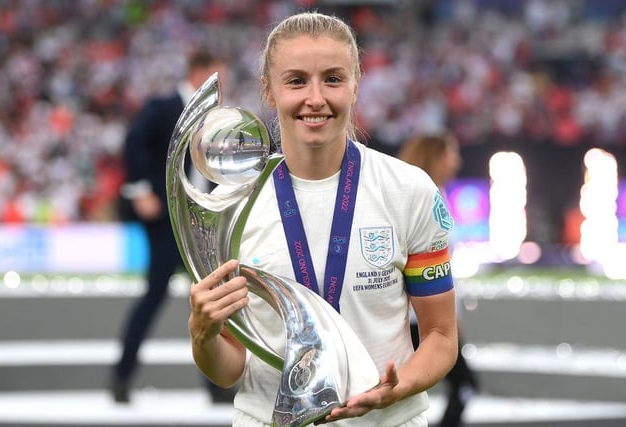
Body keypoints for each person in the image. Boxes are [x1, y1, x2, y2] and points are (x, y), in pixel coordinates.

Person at [187, 11, 458, 427]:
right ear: (269, 91)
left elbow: (441, 336)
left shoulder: (408, 189)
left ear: (355, 85)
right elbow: (229, 368)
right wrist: (202, 336)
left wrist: (396, 389)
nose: (316, 98)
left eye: (333, 79)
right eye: (296, 80)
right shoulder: (231, 206)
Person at [111, 51, 234, 404]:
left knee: (210, 299)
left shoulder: (216, 117)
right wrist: (140, 190)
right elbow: (134, 143)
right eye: (217, 77)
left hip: (202, 222)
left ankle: (216, 384)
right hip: (166, 220)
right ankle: (122, 375)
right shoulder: (165, 106)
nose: (220, 86)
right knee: (156, 295)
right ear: (199, 72)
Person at [397, 133, 479, 427]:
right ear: (436, 156)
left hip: (421, 316)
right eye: (451, 153)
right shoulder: (419, 199)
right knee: (463, 384)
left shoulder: (431, 195)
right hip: (418, 319)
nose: (456, 160)